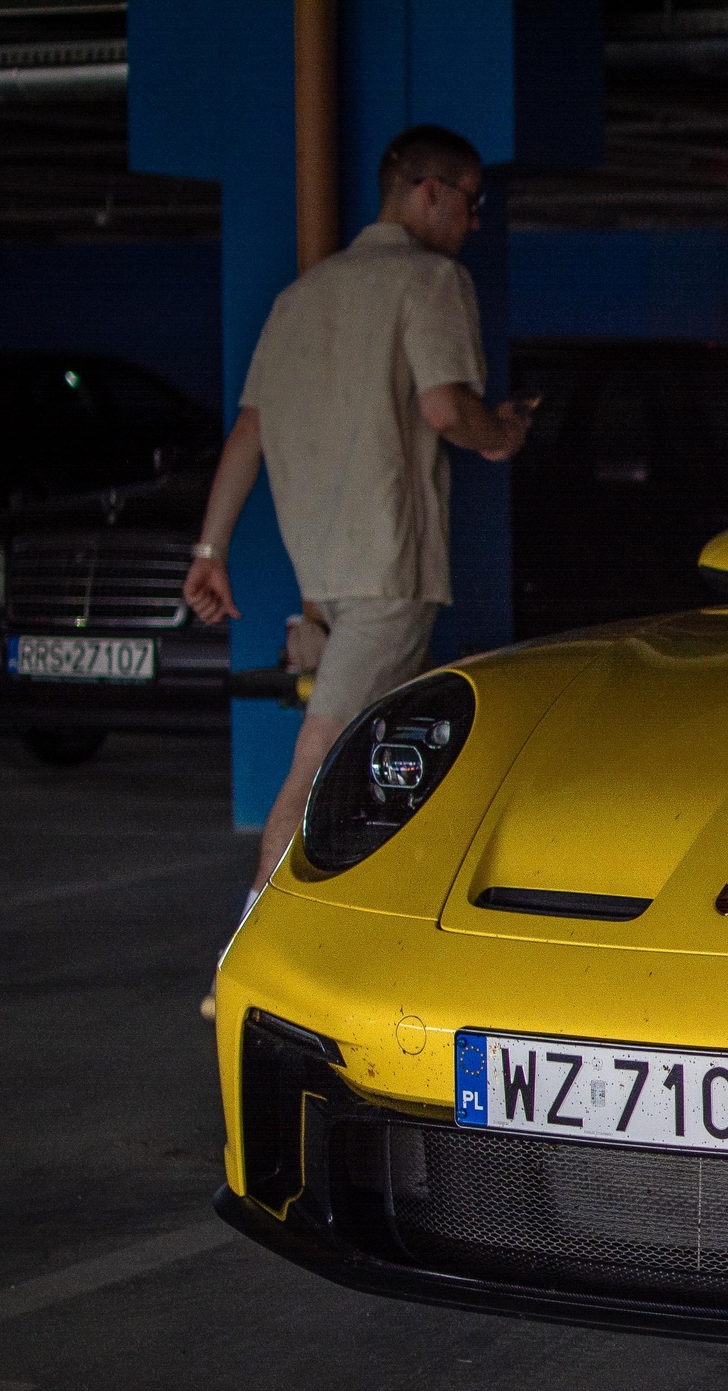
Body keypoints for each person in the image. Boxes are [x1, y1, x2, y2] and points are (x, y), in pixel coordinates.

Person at [185, 125, 530, 1018]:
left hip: (322, 577)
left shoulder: (300, 297)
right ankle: (240, 967)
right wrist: (502, 434)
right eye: (470, 201)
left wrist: (210, 554)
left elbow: (249, 432)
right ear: (426, 193)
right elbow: (446, 407)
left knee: (383, 765)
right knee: (313, 768)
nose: (475, 222)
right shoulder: (432, 281)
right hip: (388, 573)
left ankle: (373, 947)